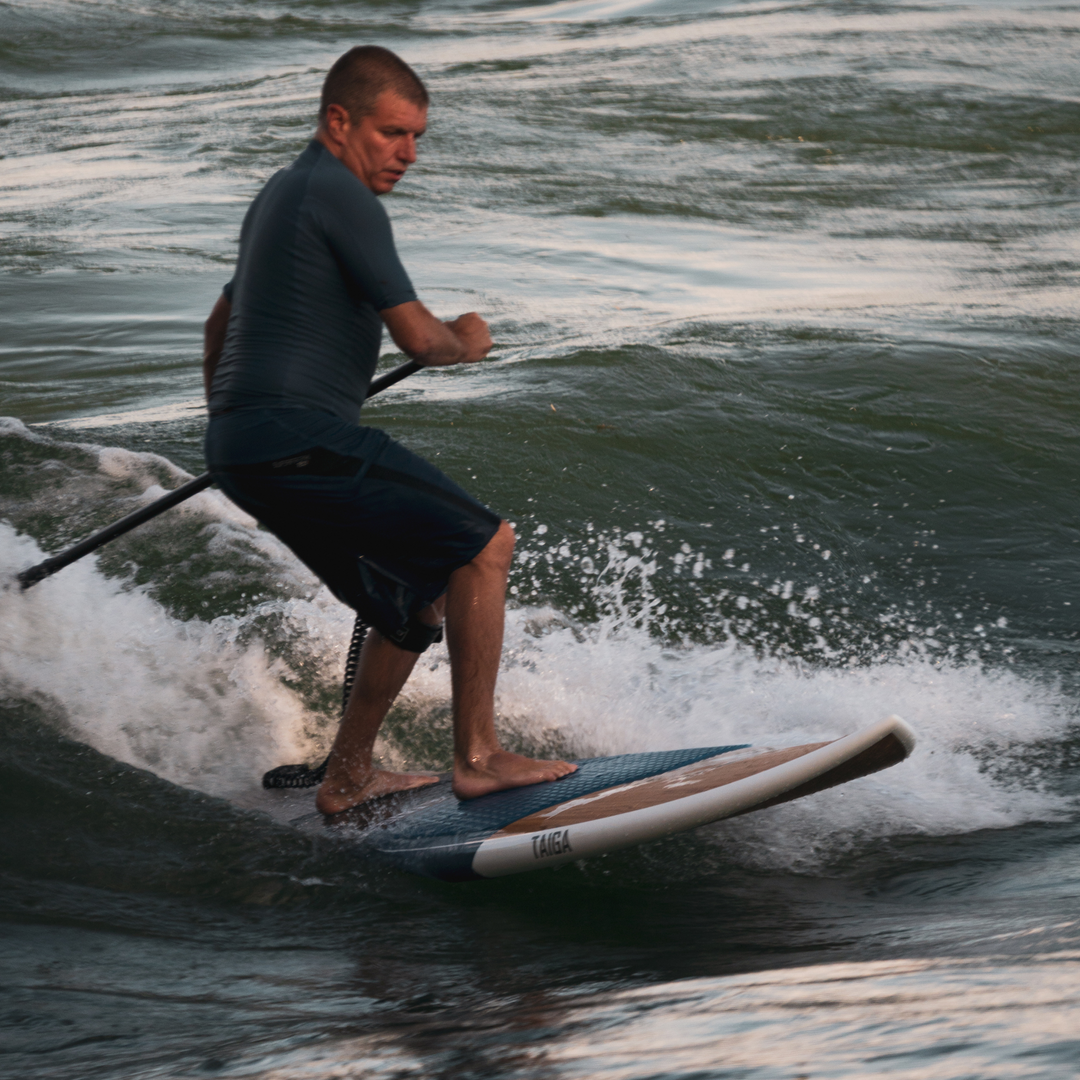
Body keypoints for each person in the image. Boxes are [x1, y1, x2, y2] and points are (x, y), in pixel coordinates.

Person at [201, 45, 576, 814]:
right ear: (339, 122)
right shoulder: (341, 196)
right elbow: (420, 340)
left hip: (250, 446)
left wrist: (230, 428)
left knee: (407, 604)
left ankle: (347, 778)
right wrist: (467, 339)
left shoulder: (282, 195)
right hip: (295, 435)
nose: (407, 154)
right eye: (392, 133)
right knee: (485, 544)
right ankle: (479, 756)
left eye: (417, 139)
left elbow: (222, 321)